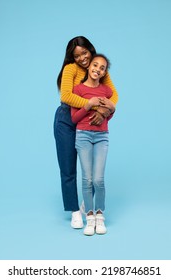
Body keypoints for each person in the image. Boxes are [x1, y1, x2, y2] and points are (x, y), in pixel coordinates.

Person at [53, 36, 118, 229]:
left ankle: (88, 205)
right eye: (77, 55)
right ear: (72, 57)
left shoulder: (98, 67)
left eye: (84, 52)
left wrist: (105, 110)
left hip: (89, 122)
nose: (82, 58)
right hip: (66, 118)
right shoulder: (70, 68)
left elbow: (113, 95)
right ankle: (74, 210)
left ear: (90, 50)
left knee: (91, 171)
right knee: (68, 167)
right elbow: (66, 96)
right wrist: (93, 106)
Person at [71, 54, 114, 235]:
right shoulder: (78, 89)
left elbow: (109, 115)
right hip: (83, 136)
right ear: (89, 67)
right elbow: (74, 118)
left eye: (102, 67)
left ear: (104, 73)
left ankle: (99, 214)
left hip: (102, 136)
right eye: (95, 65)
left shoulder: (107, 91)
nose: (97, 69)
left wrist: (110, 109)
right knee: (87, 179)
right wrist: (88, 105)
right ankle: (89, 216)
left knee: (98, 179)